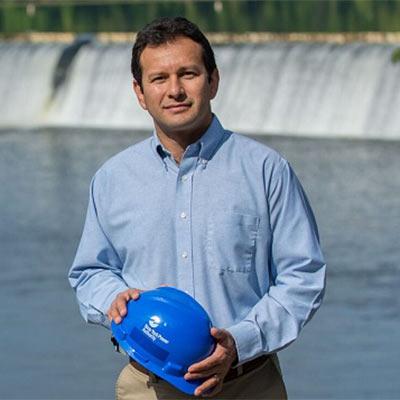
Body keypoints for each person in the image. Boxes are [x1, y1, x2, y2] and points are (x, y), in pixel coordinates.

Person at [68, 16, 326, 400]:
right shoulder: (112, 179)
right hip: (148, 386)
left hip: (249, 384)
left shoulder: (266, 171)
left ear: (213, 81)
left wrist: (240, 342)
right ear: (139, 92)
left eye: (188, 74)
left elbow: (302, 276)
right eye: (159, 79)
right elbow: (91, 271)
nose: (175, 90)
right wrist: (112, 300)